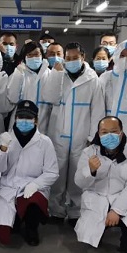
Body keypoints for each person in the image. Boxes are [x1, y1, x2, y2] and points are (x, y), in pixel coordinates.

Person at [74, 116, 127, 253]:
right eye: (104, 132)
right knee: (93, 228)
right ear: (98, 134)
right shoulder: (89, 152)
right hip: (96, 197)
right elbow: (79, 182)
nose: (109, 136)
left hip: (122, 197)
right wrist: (90, 170)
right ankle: (98, 234)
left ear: (121, 133)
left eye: (113, 131)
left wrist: (116, 211)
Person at [47, 42, 105, 224]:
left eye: (75, 58)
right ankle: (55, 210)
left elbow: (98, 110)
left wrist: (93, 137)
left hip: (81, 136)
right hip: (58, 134)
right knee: (57, 173)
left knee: (78, 175)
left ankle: (75, 211)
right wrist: (55, 75)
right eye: (68, 58)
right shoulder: (58, 75)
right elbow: (49, 97)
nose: (71, 61)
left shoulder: (93, 79)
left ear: (83, 57)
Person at [0, 100, 59, 246]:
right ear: (15, 118)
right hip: (9, 188)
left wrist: (35, 184)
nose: (24, 121)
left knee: (34, 202)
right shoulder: (6, 139)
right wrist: (2, 149)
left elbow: (52, 172)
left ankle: (32, 228)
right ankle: (17, 221)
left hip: (33, 188)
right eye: (21, 117)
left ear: (36, 120)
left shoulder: (45, 142)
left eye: (29, 118)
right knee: (4, 231)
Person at [0, 41, 54, 133]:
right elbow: (13, 98)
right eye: (29, 55)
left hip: (43, 124)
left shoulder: (50, 74)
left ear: (42, 55)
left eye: (36, 54)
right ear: (24, 57)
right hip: (20, 123)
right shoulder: (19, 73)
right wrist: (18, 75)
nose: (33, 57)